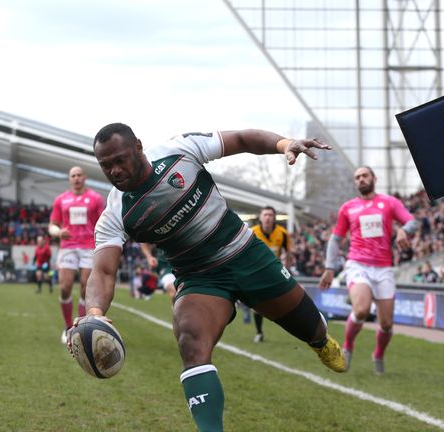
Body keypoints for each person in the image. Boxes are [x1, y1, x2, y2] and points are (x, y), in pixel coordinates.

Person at [69, 123, 346, 432]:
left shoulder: (178, 152)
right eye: (106, 166)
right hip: (200, 279)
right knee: (190, 343)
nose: (114, 171)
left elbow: (242, 139)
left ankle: (320, 340)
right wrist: (94, 313)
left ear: (138, 147)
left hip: (246, 254)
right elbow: (103, 271)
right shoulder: (116, 212)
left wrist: (284, 144)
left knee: (308, 325)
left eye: (119, 160)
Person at [318, 166, 416, 375]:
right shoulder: (348, 208)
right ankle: (348, 346)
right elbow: (336, 240)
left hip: (383, 268)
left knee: (387, 324)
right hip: (357, 264)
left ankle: (378, 354)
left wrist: (403, 231)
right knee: (361, 309)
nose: (361, 180)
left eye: (365, 176)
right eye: (357, 177)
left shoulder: (389, 203)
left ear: (374, 178)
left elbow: (412, 221)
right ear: (355, 183)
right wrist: (329, 267)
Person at [48, 166, 105, 344]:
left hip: (89, 246)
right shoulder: (61, 200)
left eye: (79, 175)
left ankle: (78, 328)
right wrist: (58, 232)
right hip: (68, 246)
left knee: (84, 288)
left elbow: (103, 222)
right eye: (73, 175)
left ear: (85, 177)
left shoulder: (96, 199)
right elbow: (52, 225)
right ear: (70, 179)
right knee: (64, 287)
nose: (76, 178)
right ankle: (67, 327)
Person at [250, 206, 293, 343]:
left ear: (274, 218)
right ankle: (259, 332)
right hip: (258, 273)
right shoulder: (252, 232)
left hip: (276, 272)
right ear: (260, 217)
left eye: (270, 215)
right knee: (258, 305)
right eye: (265, 215)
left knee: (285, 301)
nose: (268, 217)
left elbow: (289, 253)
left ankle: (295, 329)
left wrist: (287, 271)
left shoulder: (283, 233)